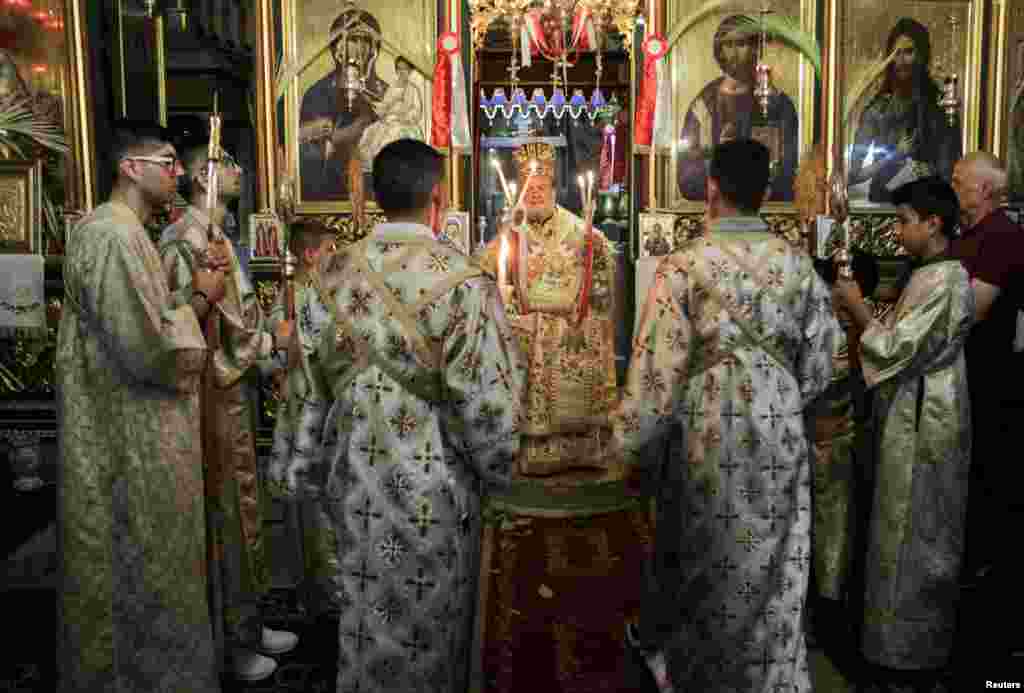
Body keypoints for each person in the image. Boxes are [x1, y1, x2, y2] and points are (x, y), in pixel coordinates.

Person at [614, 138, 841, 692]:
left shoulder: (684, 266)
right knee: (776, 566)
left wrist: (630, 449)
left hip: (707, 438)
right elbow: (823, 365)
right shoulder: (797, 266)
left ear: (711, 188)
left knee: (706, 563)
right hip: (780, 433)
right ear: (766, 192)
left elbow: (655, 376)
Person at [313, 138, 524, 691]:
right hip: (434, 491)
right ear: (438, 197)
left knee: (362, 613)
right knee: (430, 622)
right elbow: (489, 408)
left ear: (376, 196)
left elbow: (304, 392)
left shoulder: (331, 274)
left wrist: (301, 471)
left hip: (352, 482)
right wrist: (502, 474)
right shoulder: (464, 282)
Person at [56, 124, 224, 692]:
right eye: (168, 162)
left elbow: (143, 316)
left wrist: (191, 294)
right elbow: (149, 345)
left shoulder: (127, 232)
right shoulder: (112, 235)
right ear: (131, 167)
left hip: (137, 430)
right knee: (135, 567)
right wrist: (200, 299)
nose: (178, 174)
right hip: (125, 442)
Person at [160, 143, 297, 683]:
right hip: (209, 392)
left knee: (244, 507)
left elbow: (239, 311)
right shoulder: (183, 240)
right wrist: (268, 344)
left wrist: (264, 343)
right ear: (202, 176)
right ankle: (228, 642)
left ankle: (249, 622)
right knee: (222, 511)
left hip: (232, 391)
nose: (239, 169)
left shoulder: (216, 234)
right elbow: (191, 322)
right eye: (227, 161)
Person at [832, 176, 973, 691]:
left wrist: (857, 305)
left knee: (918, 534)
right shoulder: (928, 274)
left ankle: (912, 657)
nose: (897, 230)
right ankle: (889, 649)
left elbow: (897, 349)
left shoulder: (946, 280)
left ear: (933, 224)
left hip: (927, 419)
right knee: (898, 529)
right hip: (913, 411)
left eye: (904, 221)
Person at [475, 141, 620, 477]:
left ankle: (584, 451)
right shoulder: (512, 233)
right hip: (530, 333)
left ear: (554, 190)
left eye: (541, 188)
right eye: (530, 189)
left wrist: (596, 291)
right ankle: (534, 450)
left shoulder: (582, 231)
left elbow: (603, 282)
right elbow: (484, 274)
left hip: (574, 327)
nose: (535, 195)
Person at [950, 155, 1024, 606]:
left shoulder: (1001, 236)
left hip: (988, 374)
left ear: (983, 190)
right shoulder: (971, 234)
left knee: (984, 470)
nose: (954, 187)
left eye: (960, 182)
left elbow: (972, 310)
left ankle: (981, 570)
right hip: (966, 369)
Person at [263, 220, 338, 616]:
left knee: (322, 506)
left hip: (319, 413)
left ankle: (322, 590)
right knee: (310, 508)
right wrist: (285, 345)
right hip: (307, 411)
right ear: (310, 254)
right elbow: (274, 355)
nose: (334, 256)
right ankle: (316, 593)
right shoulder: (294, 298)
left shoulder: (325, 294)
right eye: (329, 249)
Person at [677, 15, 799, 202]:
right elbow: (688, 177)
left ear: (755, 49)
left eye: (741, 44)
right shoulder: (704, 104)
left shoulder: (777, 104)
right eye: (728, 45)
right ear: (719, 50)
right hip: (716, 208)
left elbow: (788, 171)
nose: (734, 53)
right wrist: (718, 156)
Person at [848, 19, 960, 203]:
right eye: (896, 53)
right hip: (884, 203)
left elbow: (951, 167)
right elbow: (853, 175)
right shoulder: (878, 108)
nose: (901, 61)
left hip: (928, 204)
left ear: (922, 55)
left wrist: (929, 170)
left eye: (908, 52)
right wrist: (894, 156)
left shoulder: (940, 106)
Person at [299, 4, 387, 201]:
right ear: (338, 47)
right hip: (328, 191)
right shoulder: (317, 93)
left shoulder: (386, 93)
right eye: (353, 39)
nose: (360, 47)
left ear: (374, 49)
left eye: (366, 40)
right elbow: (307, 151)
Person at [357, 55, 424, 171]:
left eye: (405, 69)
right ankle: (376, 166)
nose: (402, 72)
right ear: (396, 70)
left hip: (404, 124)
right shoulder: (392, 88)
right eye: (399, 68)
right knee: (370, 131)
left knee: (393, 133)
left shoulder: (413, 89)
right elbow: (384, 106)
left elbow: (416, 111)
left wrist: (401, 118)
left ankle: (390, 166)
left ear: (410, 71)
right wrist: (375, 104)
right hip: (388, 121)